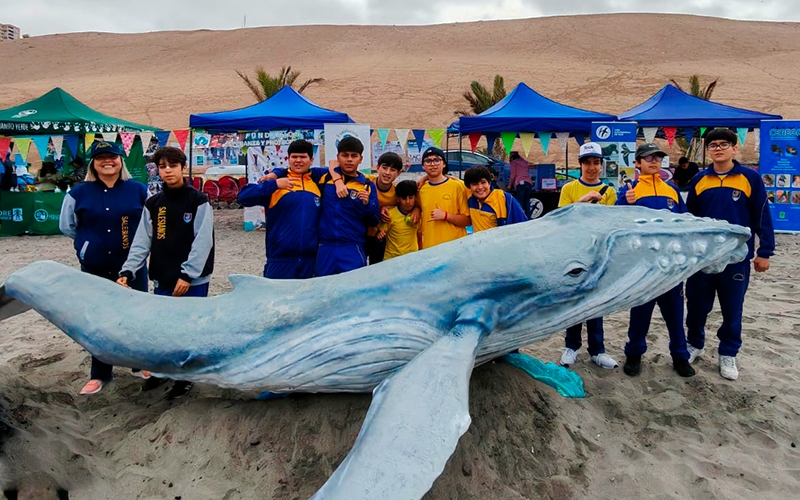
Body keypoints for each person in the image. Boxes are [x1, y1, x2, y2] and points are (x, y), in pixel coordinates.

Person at [117, 146, 214, 399]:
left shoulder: (198, 200)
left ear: (183, 168)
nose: (168, 170)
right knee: (163, 329)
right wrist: (128, 270)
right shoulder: (153, 203)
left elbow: (203, 241)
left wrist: (188, 275)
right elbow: (142, 241)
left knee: (189, 329)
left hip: (192, 280)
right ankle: (162, 372)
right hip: (163, 277)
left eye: (173, 166)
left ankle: (186, 378)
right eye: (162, 166)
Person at [59, 140, 149, 395]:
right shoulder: (79, 193)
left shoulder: (138, 190)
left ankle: (140, 364)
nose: (107, 161)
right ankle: (100, 373)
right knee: (98, 321)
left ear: (121, 160)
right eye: (101, 157)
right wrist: (88, 245)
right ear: (93, 163)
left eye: (112, 156)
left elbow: (149, 225)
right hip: (94, 267)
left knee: (137, 316)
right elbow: (67, 226)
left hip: (132, 267)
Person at [685, 128, 774, 380]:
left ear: (735, 148)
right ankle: (695, 344)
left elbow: (762, 216)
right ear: (708, 150)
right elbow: (689, 220)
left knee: (732, 309)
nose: (718, 148)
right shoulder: (700, 179)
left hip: (736, 258)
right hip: (703, 258)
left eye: (724, 144)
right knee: (696, 306)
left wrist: (765, 251)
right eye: (713, 145)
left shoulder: (749, 178)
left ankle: (728, 352)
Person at [616, 143, 695, 378]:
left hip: (670, 265)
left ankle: (680, 356)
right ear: (637, 163)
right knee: (640, 313)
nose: (654, 162)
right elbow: (617, 224)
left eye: (658, 158)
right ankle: (634, 354)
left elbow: (685, 223)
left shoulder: (672, 190)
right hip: (643, 265)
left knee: (675, 314)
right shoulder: (629, 190)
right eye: (648, 158)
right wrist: (625, 203)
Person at [558, 142, 618, 369]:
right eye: (587, 162)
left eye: (596, 162)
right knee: (574, 300)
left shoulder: (609, 191)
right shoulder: (569, 188)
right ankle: (571, 346)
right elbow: (560, 220)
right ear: (580, 165)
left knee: (596, 301)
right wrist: (582, 202)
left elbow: (611, 224)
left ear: (601, 165)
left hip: (598, 253)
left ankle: (597, 350)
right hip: (573, 251)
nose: (592, 167)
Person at [238, 140, 321, 279]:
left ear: (311, 160)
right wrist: (274, 184)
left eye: (303, 157)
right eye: (294, 157)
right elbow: (243, 197)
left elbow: (337, 167)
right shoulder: (277, 183)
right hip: (280, 260)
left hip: (311, 261)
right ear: (288, 159)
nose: (298, 160)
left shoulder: (318, 184)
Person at [317, 137, 380, 276]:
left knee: (353, 287)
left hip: (352, 247)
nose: (349, 159)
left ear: (361, 159)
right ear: (338, 157)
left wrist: (367, 204)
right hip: (325, 248)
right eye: (345, 155)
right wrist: (276, 174)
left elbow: (375, 220)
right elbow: (299, 170)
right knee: (324, 287)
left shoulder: (367, 185)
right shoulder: (324, 178)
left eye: (354, 156)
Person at [364, 152, 420, 265]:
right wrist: (338, 181)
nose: (387, 173)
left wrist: (416, 210)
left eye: (393, 170)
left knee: (377, 270)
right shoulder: (365, 181)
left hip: (380, 237)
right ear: (377, 167)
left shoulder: (397, 192)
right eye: (384, 168)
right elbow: (335, 166)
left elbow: (415, 203)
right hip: (359, 234)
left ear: (398, 173)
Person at [417, 147, 471, 249]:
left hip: (455, 248)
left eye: (437, 160)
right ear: (423, 166)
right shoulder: (420, 190)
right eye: (428, 161)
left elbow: (468, 220)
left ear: (444, 164)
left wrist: (446, 216)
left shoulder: (457, 186)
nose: (432, 164)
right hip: (430, 247)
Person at [464, 166, 527, 232]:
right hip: (479, 238)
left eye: (483, 182)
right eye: (475, 184)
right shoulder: (470, 198)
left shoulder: (503, 198)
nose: (480, 187)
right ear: (469, 187)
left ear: (489, 183)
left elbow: (522, 224)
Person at [377, 180, 420, 260]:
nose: (408, 202)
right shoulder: (389, 214)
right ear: (398, 199)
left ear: (415, 198)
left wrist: (418, 209)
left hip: (412, 258)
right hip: (392, 259)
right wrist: (380, 237)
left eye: (411, 198)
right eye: (404, 198)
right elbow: (379, 236)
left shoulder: (418, 215)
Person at [508, 151, 534, 218]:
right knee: (527, 203)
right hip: (529, 183)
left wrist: (510, 185)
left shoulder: (514, 163)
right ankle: (528, 219)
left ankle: (521, 218)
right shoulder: (525, 162)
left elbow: (513, 175)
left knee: (520, 203)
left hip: (520, 183)